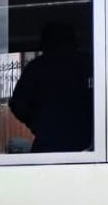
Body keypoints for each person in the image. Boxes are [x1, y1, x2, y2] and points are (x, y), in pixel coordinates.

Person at [9, 21, 92, 153]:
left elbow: (18, 105)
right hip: (87, 147)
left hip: (49, 145)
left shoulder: (37, 67)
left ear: (45, 44)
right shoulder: (89, 63)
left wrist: (39, 125)